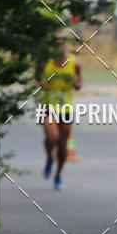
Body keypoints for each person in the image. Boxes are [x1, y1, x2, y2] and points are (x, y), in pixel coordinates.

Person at [38, 33, 81, 190]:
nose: (59, 46)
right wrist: (41, 82)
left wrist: (77, 83)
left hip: (66, 108)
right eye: (56, 44)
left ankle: (58, 175)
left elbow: (79, 83)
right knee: (53, 137)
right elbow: (37, 75)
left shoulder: (73, 63)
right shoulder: (45, 62)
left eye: (61, 43)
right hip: (48, 106)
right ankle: (50, 157)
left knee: (63, 143)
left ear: (65, 45)